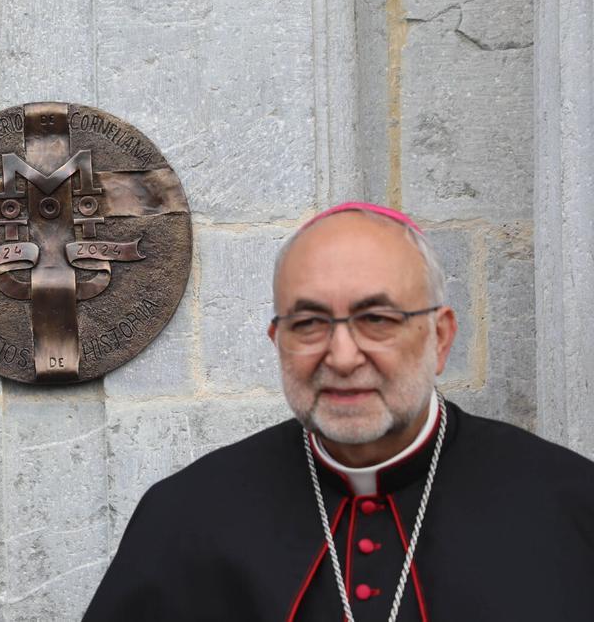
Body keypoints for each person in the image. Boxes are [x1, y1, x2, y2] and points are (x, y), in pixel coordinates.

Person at [84, 202, 594, 621]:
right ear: (277, 340)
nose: (343, 357)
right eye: (308, 323)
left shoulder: (570, 503)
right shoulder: (185, 516)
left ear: (439, 338)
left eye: (377, 319)